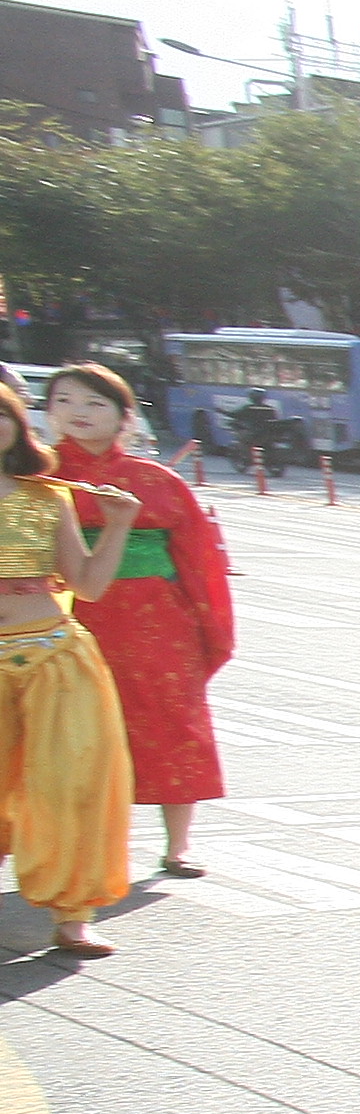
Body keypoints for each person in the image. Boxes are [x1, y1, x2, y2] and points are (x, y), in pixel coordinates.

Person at [39, 366, 230, 882]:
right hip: (68, 616)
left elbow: (197, 559)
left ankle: (179, 843)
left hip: (157, 622)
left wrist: (206, 624)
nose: (78, 411)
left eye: (95, 403)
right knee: (75, 732)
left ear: (125, 417)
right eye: (64, 400)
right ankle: (89, 844)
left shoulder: (156, 481)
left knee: (173, 722)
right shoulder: (38, 480)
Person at [0, 377, 138, 957]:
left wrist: (117, 524)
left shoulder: (46, 496)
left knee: (72, 783)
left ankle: (73, 912)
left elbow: (89, 585)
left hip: (56, 655)